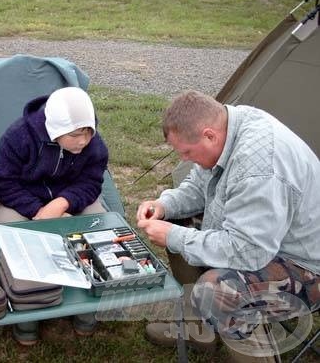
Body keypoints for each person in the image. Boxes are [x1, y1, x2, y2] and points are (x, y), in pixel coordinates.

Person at [136, 90, 320, 361]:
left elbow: (248, 253)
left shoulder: (259, 168)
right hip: (265, 240)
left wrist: (176, 237)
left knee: (218, 292)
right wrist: (164, 206)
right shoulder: (229, 126)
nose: (184, 158)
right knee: (172, 223)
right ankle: (200, 327)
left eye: (186, 152)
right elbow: (199, 187)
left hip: (305, 265)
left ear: (209, 135)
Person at [0, 86, 109, 345]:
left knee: (96, 229)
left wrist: (62, 203)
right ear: (56, 131)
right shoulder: (18, 136)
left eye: (88, 133)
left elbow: (91, 182)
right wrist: (37, 211)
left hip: (71, 198)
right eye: (76, 135)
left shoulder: (93, 143)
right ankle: (27, 314)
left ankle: (87, 308)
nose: (84, 141)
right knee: (16, 237)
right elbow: (4, 183)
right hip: (21, 201)